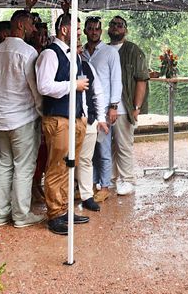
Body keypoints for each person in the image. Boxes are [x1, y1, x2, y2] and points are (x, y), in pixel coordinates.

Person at [0, 10, 44, 228]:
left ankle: (1, 214)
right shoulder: (27, 53)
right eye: (30, 25)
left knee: (4, 164)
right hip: (23, 118)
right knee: (24, 166)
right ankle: (21, 215)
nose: (33, 29)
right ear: (20, 25)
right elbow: (36, 90)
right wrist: (41, 113)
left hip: (0, 117)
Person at [36, 14, 90, 235]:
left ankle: (65, 209)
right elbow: (44, 86)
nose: (80, 33)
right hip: (58, 119)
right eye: (76, 29)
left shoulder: (74, 55)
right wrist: (72, 85)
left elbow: (81, 88)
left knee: (69, 166)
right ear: (65, 30)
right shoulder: (50, 54)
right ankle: (55, 213)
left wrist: (83, 114)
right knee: (56, 167)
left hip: (75, 118)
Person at [82, 16, 122, 203]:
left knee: (103, 148)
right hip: (85, 107)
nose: (94, 31)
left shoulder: (109, 52)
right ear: (85, 31)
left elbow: (116, 80)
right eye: (90, 28)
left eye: (97, 28)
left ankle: (105, 186)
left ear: (101, 31)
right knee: (88, 149)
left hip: (105, 107)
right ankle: (90, 184)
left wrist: (114, 106)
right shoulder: (80, 52)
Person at [108, 15, 149, 196]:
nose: (116, 28)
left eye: (120, 25)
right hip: (105, 108)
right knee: (106, 147)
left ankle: (128, 180)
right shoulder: (104, 49)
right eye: (113, 25)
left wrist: (136, 107)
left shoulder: (134, 50)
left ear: (126, 29)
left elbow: (141, 80)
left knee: (123, 145)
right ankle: (109, 179)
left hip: (125, 107)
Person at [76, 43, 108, 211]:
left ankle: (87, 195)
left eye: (81, 46)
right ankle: (63, 197)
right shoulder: (62, 65)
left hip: (89, 119)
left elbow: (97, 92)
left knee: (86, 160)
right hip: (69, 120)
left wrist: (100, 118)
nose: (81, 50)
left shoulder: (86, 66)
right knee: (65, 160)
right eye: (77, 47)